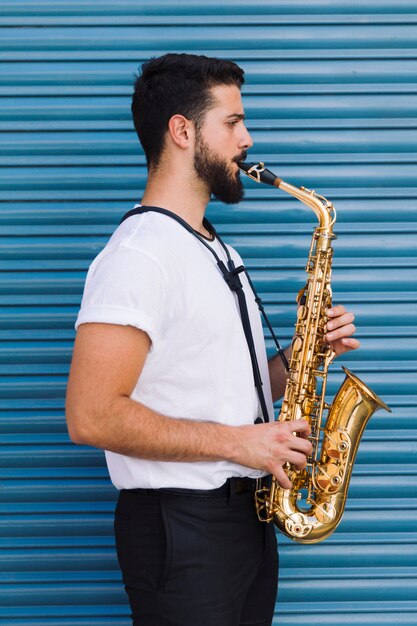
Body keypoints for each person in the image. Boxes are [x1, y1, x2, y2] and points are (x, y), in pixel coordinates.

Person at [65, 53, 359, 626]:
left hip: (237, 525)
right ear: (182, 130)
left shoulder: (213, 247)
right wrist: (240, 444)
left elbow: (218, 382)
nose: (247, 139)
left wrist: (302, 359)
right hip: (183, 530)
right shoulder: (140, 255)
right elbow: (91, 416)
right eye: (232, 122)